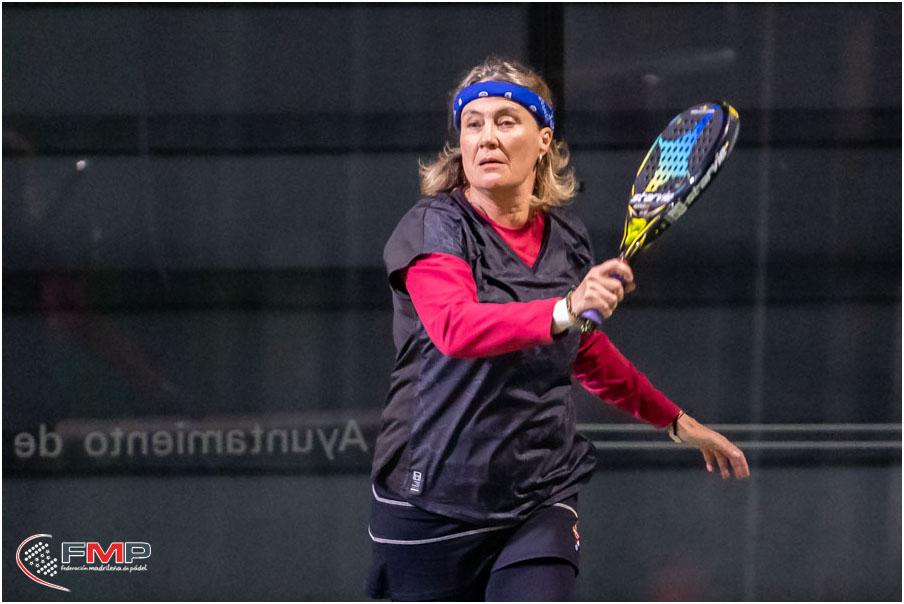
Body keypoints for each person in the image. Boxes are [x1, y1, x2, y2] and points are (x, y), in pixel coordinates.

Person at [366, 56, 749, 602]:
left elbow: (583, 350)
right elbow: (454, 327)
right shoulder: (434, 227)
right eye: (473, 124)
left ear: (543, 140)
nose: (487, 137)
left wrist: (675, 421)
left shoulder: (566, 238)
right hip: (431, 500)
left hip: (538, 495)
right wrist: (567, 307)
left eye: (506, 121)